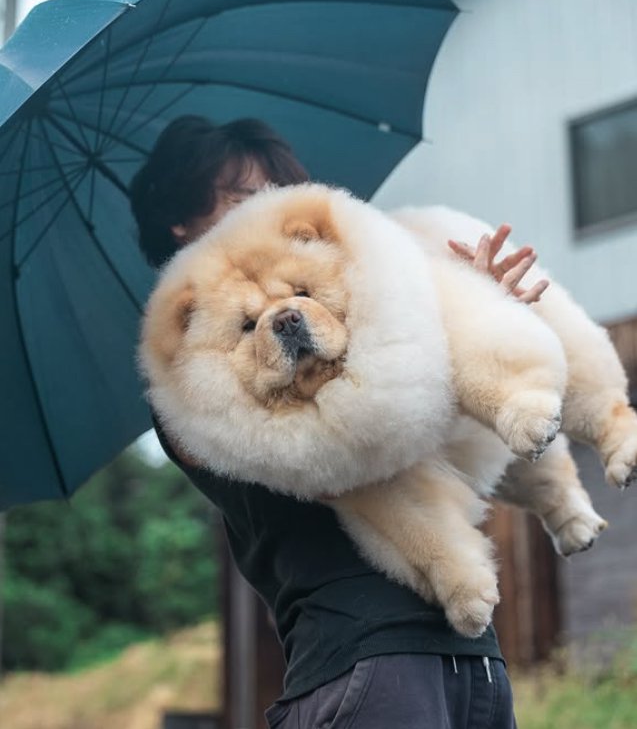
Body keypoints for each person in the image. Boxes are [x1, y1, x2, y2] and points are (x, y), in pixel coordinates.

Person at [130, 115, 547, 729]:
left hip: (471, 660)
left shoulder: (338, 318)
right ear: (181, 219)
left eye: (280, 194)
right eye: (245, 197)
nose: (269, 213)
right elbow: (344, 458)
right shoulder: (194, 378)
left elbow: (455, 435)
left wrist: (479, 312)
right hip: (366, 661)